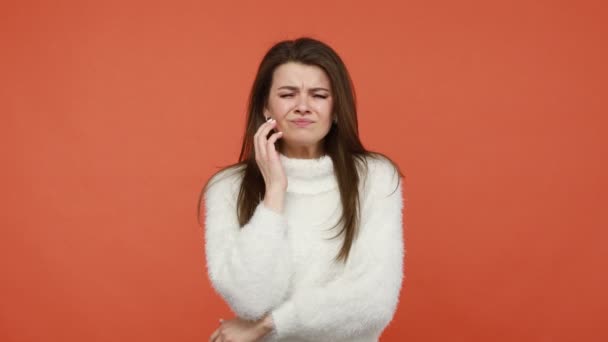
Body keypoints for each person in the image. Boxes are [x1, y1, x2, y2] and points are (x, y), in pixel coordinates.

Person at [198, 37, 406, 342]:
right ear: (266, 107)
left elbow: (375, 300)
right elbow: (250, 298)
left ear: (336, 108)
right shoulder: (228, 188)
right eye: (287, 94)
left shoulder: (374, 178)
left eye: (319, 95)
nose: (303, 107)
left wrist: (265, 326)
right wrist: (274, 193)